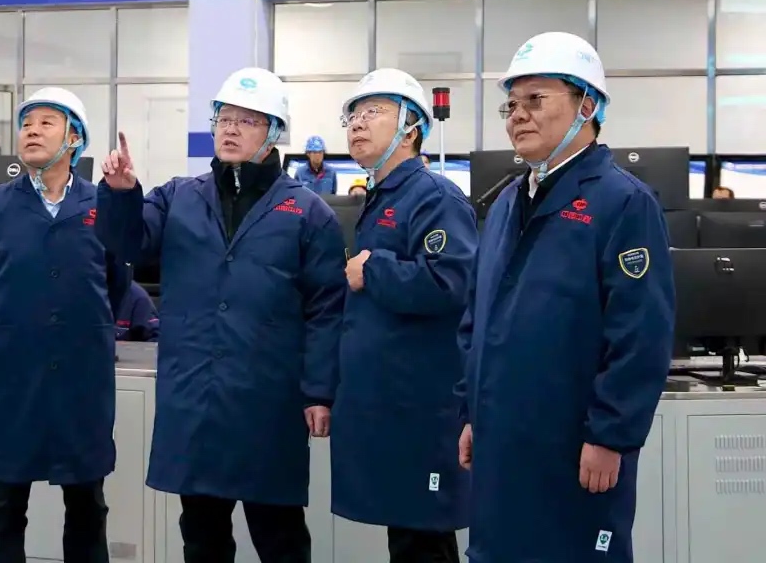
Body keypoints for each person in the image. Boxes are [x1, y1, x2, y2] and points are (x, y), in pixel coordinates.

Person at [95, 67, 346, 563]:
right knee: (201, 537)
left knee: (280, 536)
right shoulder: (177, 196)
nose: (230, 129)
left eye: (247, 121)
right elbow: (128, 243)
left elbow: (326, 309)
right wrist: (122, 194)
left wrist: (320, 390)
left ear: (274, 133)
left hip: (268, 400)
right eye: (224, 119)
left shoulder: (308, 212)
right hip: (196, 396)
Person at [457, 32, 675, 563]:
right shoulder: (506, 203)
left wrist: (611, 435)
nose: (518, 115)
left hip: (574, 446)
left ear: (587, 106)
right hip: (501, 439)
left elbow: (641, 333)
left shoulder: (623, 203)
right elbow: (476, 319)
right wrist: (471, 412)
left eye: (536, 100)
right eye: (511, 104)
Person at [0, 86, 130, 563]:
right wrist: (7, 329)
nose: (31, 131)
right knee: (4, 504)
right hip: (12, 375)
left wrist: (77, 326)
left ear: (74, 138)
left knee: (87, 504)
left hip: (80, 375)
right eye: (26, 123)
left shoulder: (101, 206)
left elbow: (116, 284)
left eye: (47, 122)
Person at [331, 69, 475, 563]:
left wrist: (373, 271)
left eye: (373, 112)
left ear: (412, 127)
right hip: (390, 404)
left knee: (424, 540)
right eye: (353, 114)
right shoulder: (384, 196)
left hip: (422, 408)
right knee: (409, 538)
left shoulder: (434, 196)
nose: (357, 123)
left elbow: (453, 281)